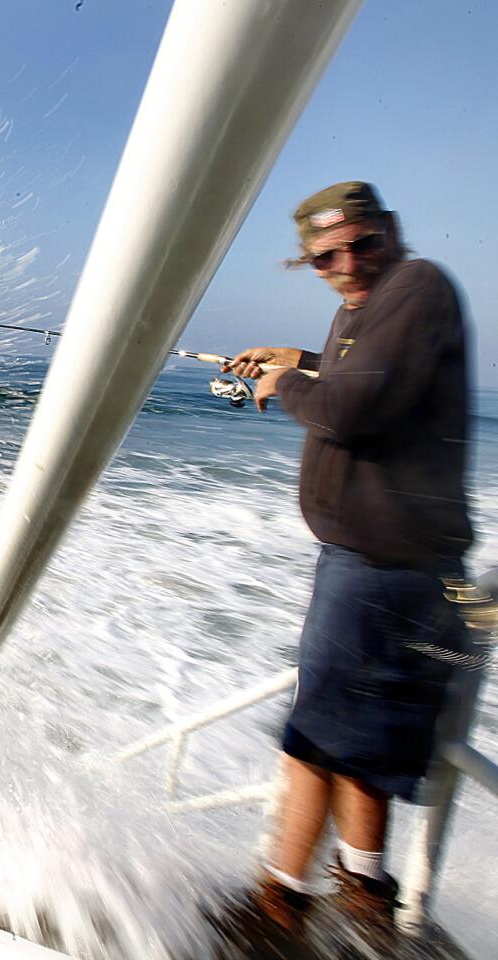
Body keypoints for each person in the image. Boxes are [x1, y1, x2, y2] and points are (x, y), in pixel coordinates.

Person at [224, 182, 474, 942]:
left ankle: (280, 905)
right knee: (363, 744)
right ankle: (364, 889)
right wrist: (299, 355)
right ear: (309, 262)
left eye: (363, 242)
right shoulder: (370, 306)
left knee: (314, 739)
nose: (349, 262)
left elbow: (353, 408)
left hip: (379, 567)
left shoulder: (415, 285)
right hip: (399, 564)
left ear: (390, 230)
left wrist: (285, 384)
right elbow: (373, 378)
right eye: (327, 256)